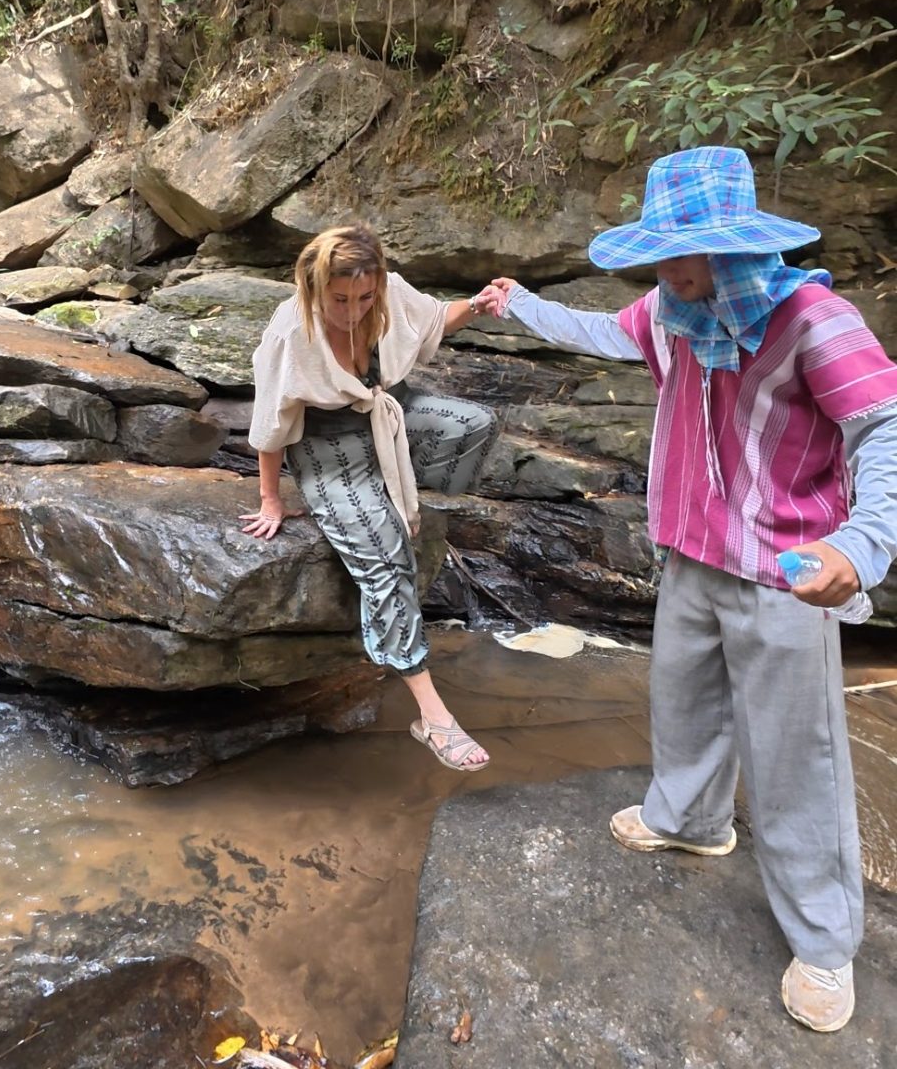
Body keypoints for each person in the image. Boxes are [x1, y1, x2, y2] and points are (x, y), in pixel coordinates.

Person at [475, 145, 897, 1031]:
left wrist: (864, 543)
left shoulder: (814, 319)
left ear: (736, 247)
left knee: (798, 758)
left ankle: (824, 944)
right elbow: (596, 332)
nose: (665, 266)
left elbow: (885, 424)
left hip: (787, 572)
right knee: (684, 702)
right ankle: (692, 818)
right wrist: (520, 306)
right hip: (691, 554)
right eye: (659, 249)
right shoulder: (671, 310)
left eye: (684, 249)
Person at [245, 223, 497, 771]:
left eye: (365, 297)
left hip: (387, 414)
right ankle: (433, 718)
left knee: (473, 422)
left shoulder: (386, 293)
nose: (354, 309)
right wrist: (271, 500)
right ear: (313, 288)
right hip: (325, 445)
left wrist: (475, 306)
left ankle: (406, 498)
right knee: (386, 564)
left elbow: (432, 317)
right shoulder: (292, 333)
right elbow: (270, 424)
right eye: (340, 299)